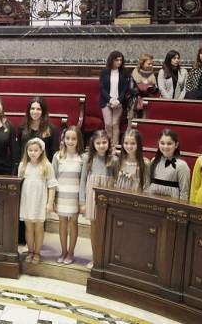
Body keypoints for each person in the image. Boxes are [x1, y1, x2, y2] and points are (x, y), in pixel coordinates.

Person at [80, 130, 115, 269]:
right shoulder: (88, 159)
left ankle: (104, 259)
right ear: (93, 144)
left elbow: (116, 180)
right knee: (94, 228)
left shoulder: (114, 160)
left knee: (107, 229)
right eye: (98, 143)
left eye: (104, 142)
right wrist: (82, 202)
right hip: (92, 196)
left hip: (108, 197)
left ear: (109, 143)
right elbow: (83, 180)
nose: (101, 145)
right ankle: (95, 258)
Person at [18, 137, 57, 264]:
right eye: (30, 150)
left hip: (40, 200)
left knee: (39, 227)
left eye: (35, 150)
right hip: (27, 200)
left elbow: (52, 185)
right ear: (26, 151)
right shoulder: (24, 165)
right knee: (28, 227)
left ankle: (37, 252)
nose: (33, 153)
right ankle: (30, 250)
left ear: (41, 151)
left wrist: (50, 203)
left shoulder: (46, 166)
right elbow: (19, 183)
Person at [51, 126, 84, 265]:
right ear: (63, 139)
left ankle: (71, 252)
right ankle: (63, 251)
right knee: (62, 223)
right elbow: (53, 178)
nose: (70, 141)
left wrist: (82, 201)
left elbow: (83, 180)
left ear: (78, 140)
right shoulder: (58, 156)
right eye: (67, 138)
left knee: (73, 223)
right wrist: (51, 199)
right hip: (61, 196)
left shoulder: (82, 158)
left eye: (74, 139)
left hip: (75, 197)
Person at [145, 129, 190, 201]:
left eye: (169, 143)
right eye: (162, 143)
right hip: (152, 201)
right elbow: (147, 185)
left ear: (176, 145)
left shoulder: (182, 166)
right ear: (158, 143)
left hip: (171, 205)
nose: (165, 147)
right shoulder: (154, 161)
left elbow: (184, 192)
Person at [99, 51, 131, 146]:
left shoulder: (125, 72)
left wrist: (118, 100)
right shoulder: (104, 72)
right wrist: (110, 100)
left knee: (115, 124)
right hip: (106, 101)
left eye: (121, 60)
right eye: (117, 60)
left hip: (119, 102)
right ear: (111, 60)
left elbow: (125, 88)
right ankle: (108, 146)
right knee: (108, 124)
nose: (119, 62)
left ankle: (115, 148)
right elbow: (102, 88)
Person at [18, 97, 60, 164]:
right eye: (32, 109)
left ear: (43, 111)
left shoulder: (52, 129)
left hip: (44, 168)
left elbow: (54, 153)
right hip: (26, 167)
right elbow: (19, 150)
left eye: (38, 109)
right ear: (29, 110)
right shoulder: (22, 128)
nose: (35, 111)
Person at [129, 53, 159, 120]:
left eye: (152, 64)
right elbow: (131, 89)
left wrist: (151, 89)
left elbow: (156, 90)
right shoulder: (134, 73)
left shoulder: (153, 75)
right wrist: (142, 89)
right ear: (142, 64)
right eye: (149, 64)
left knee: (145, 121)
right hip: (135, 102)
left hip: (148, 102)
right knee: (133, 121)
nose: (151, 66)